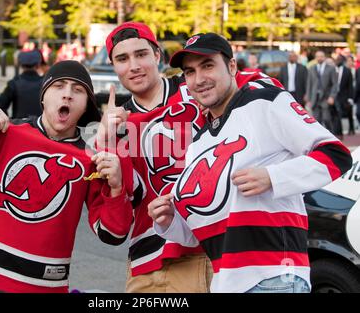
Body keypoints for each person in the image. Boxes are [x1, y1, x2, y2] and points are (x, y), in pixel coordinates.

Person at [147, 33, 353, 293]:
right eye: (190, 72)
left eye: (208, 66)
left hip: (274, 277)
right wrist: (168, 220)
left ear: (232, 66)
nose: (199, 79)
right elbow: (201, 230)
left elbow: (336, 155)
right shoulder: (198, 142)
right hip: (224, 284)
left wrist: (273, 177)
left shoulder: (266, 102)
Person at [96, 22, 283, 293]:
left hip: (218, 250)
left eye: (141, 54)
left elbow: (263, 86)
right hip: (154, 265)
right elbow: (116, 224)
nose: (134, 65)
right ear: (114, 65)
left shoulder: (197, 87)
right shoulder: (116, 125)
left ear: (157, 55)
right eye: (122, 59)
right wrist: (106, 141)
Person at [0, 60, 133, 293]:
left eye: (77, 91)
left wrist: (117, 188)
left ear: (86, 104)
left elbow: (112, 233)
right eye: (58, 86)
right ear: (43, 97)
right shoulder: (9, 133)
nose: (67, 95)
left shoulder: (92, 156)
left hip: (45, 283)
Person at [0, 50, 43, 119]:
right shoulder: (45, 83)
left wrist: (10, 123)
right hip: (41, 127)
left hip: (19, 126)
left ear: (20, 65)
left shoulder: (13, 83)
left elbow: (0, 108)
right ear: (38, 64)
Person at [305, 50, 339, 135]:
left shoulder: (331, 68)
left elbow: (335, 84)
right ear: (315, 58)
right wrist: (308, 98)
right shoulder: (312, 68)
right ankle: (319, 138)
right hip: (314, 98)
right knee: (316, 121)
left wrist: (332, 96)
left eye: (321, 56)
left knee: (326, 118)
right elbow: (309, 84)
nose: (319, 58)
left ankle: (331, 135)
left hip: (326, 98)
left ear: (324, 57)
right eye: (318, 56)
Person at [334, 55, 355, 136]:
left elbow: (350, 86)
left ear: (342, 61)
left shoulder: (347, 71)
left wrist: (350, 98)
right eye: (337, 59)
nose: (337, 61)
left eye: (339, 59)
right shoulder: (333, 69)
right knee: (337, 113)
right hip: (335, 95)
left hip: (344, 96)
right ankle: (339, 132)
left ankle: (351, 128)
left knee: (349, 112)